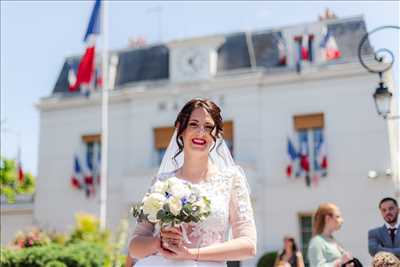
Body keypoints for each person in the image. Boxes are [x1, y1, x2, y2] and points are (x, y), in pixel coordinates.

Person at [128, 98, 257, 267]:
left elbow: (248, 245)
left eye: (209, 127)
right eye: (193, 124)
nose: (201, 132)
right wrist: (158, 242)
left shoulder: (231, 180)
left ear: (216, 135)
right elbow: (134, 247)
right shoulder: (162, 183)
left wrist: (191, 254)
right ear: (181, 130)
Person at [307, 203, 353, 267]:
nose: (342, 220)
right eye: (337, 217)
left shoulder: (333, 241)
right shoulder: (317, 242)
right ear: (327, 218)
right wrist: (340, 262)